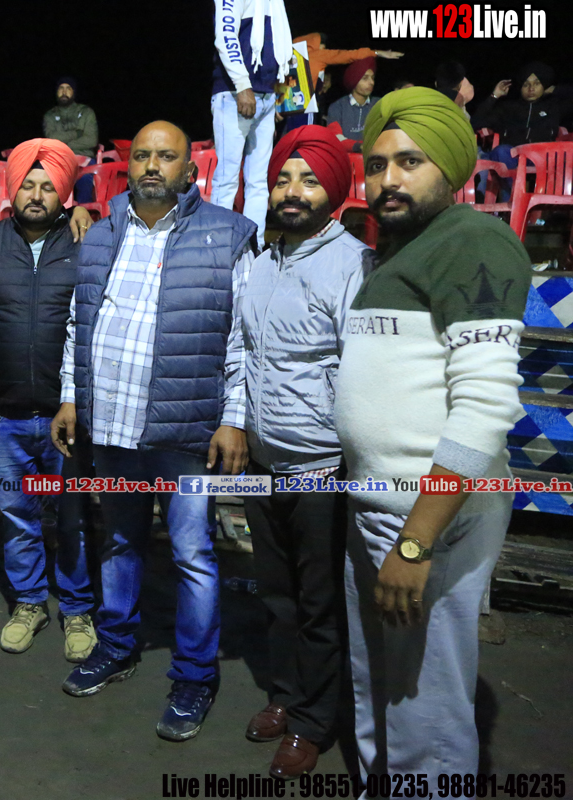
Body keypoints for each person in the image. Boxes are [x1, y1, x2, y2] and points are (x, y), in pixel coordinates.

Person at [337, 87, 530, 784]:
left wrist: (416, 542)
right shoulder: (399, 250)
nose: (389, 179)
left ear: (450, 169)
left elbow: (483, 410)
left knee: (426, 713)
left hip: (426, 522)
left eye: (410, 162)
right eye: (377, 163)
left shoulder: (473, 241)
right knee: (378, 688)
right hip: (376, 510)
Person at [52, 121, 255, 743]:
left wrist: (234, 418)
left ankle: (194, 675)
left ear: (189, 170)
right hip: (112, 424)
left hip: (185, 431)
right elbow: (78, 324)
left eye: (165, 157)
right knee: (119, 541)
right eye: (141, 155)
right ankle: (116, 645)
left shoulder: (226, 236)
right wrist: (70, 397)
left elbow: (243, 338)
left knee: (193, 554)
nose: (151, 166)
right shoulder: (101, 234)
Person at [236, 125, 368, 778]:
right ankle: (285, 696)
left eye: (309, 180)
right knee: (277, 594)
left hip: (319, 464)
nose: (292, 191)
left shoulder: (353, 264)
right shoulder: (262, 259)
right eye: (284, 179)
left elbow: (358, 369)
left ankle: (315, 721)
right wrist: (238, 425)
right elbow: (241, 349)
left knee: (318, 603)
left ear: (334, 191)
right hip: (263, 459)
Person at [0, 138, 97, 661]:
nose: (37, 195)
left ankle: (77, 609)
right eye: (28, 185)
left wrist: (79, 399)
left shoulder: (86, 243)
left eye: (48, 186)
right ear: (12, 189)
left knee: (72, 518)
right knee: (17, 518)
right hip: (7, 417)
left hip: (68, 418)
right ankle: (30, 602)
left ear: (64, 193)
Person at [211, 0, 292, 238]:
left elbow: (276, 50)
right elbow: (225, 36)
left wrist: (276, 95)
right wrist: (242, 85)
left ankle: (253, 245)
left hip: (266, 96)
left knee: (259, 182)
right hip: (235, 94)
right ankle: (217, 243)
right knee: (227, 178)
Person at [472, 61, 573, 177]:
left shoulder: (553, 107)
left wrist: (554, 89)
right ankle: (511, 188)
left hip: (542, 157)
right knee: (501, 151)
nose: (531, 88)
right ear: (520, 88)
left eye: (537, 83)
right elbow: (476, 122)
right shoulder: (507, 108)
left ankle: (551, 189)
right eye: (526, 85)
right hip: (514, 157)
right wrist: (494, 95)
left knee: (563, 156)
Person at [284, 34, 402, 133]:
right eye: (323, 47)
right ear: (317, 44)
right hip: (304, 106)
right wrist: (376, 53)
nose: (325, 50)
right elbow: (346, 55)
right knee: (304, 138)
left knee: (289, 137)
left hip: (289, 106)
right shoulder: (318, 54)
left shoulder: (291, 57)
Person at [327, 57, 380, 147]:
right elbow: (336, 138)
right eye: (365, 78)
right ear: (354, 81)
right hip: (345, 155)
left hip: (374, 155)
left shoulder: (379, 104)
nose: (371, 82)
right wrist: (359, 147)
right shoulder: (337, 107)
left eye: (372, 78)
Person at [42, 78, 98, 159]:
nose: (64, 92)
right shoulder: (50, 115)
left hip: (84, 157)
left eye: (68, 88)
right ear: (57, 92)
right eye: (61, 88)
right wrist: (77, 133)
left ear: (73, 92)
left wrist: (64, 145)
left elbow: (91, 141)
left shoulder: (86, 112)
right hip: (58, 158)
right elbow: (51, 138)